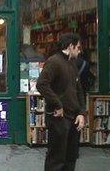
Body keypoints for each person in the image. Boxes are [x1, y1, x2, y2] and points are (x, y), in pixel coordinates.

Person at [36, 33, 85, 171]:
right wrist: (57, 104)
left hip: (74, 117)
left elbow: (79, 89)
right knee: (56, 158)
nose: (79, 51)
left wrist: (82, 113)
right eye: (78, 47)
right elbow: (42, 84)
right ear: (71, 46)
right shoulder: (54, 61)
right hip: (59, 118)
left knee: (71, 156)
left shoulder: (72, 63)